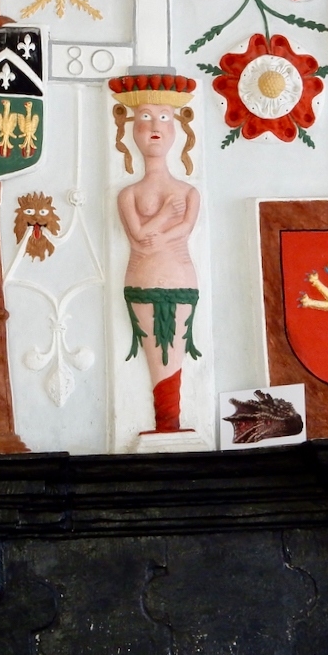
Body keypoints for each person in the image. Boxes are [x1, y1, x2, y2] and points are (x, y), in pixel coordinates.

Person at [109, 75, 201, 434]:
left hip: (180, 279)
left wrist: (155, 233)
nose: (154, 127)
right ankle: (165, 422)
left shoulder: (189, 191)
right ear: (131, 129)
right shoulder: (128, 194)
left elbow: (183, 230)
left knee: (174, 350)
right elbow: (138, 236)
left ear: (177, 129)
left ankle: (170, 423)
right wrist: (162, 217)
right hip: (142, 280)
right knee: (154, 352)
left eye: (164, 117)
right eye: (145, 117)